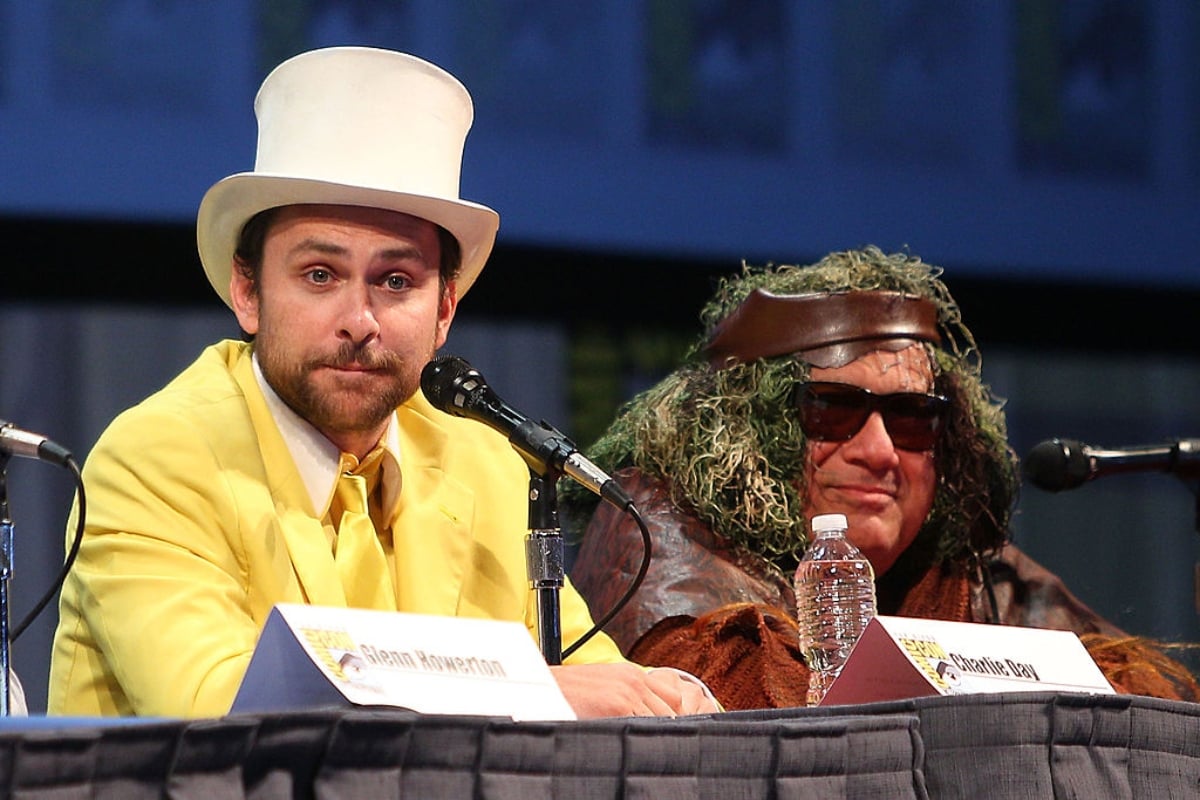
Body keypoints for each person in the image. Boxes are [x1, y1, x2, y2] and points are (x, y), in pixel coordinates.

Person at [47, 46, 716, 719]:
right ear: (247, 293)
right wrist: (530, 692)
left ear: (444, 312)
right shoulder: (151, 462)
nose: (359, 320)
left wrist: (678, 700)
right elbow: (223, 711)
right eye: (319, 275)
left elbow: (601, 684)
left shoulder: (486, 467)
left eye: (396, 281)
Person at [565, 246, 1200, 709]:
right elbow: (769, 728)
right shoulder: (658, 525)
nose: (880, 451)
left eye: (913, 417)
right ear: (748, 428)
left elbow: (1147, 701)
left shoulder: (959, 564)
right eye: (834, 410)